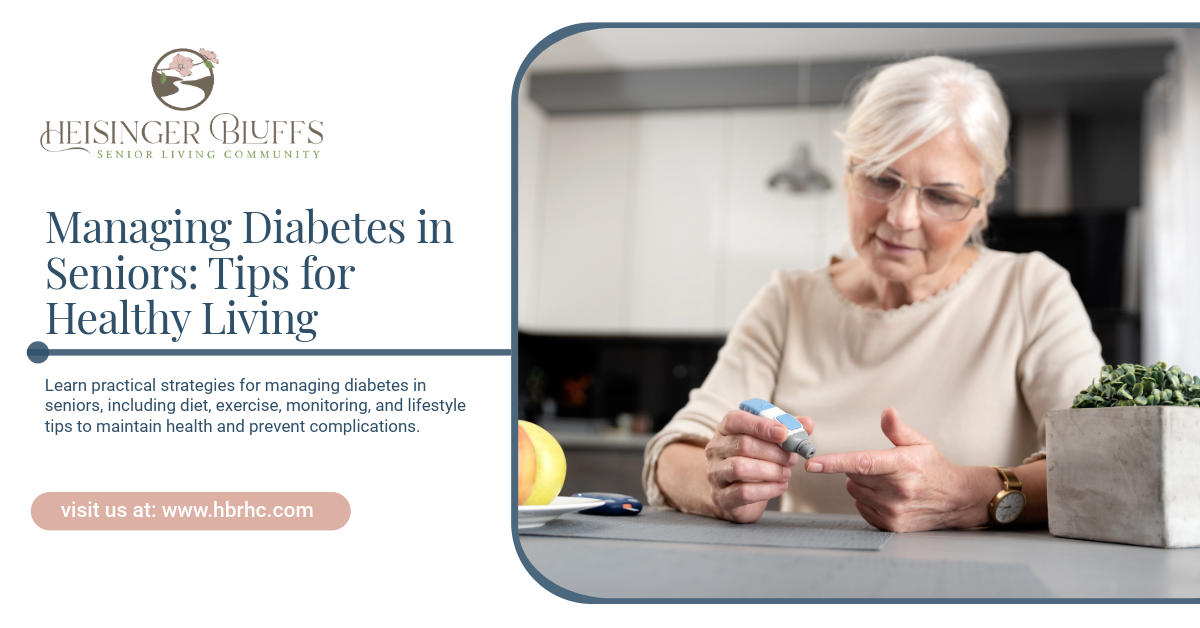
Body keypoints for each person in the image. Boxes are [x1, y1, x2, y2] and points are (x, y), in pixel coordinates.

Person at [641, 55, 1104, 532]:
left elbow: (1102, 462)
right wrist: (719, 482)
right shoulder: (788, 302)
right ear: (848, 172)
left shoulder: (1032, 292)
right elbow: (671, 455)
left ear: (982, 206)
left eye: (942, 196)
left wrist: (971, 495)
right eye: (882, 178)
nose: (901, 218)